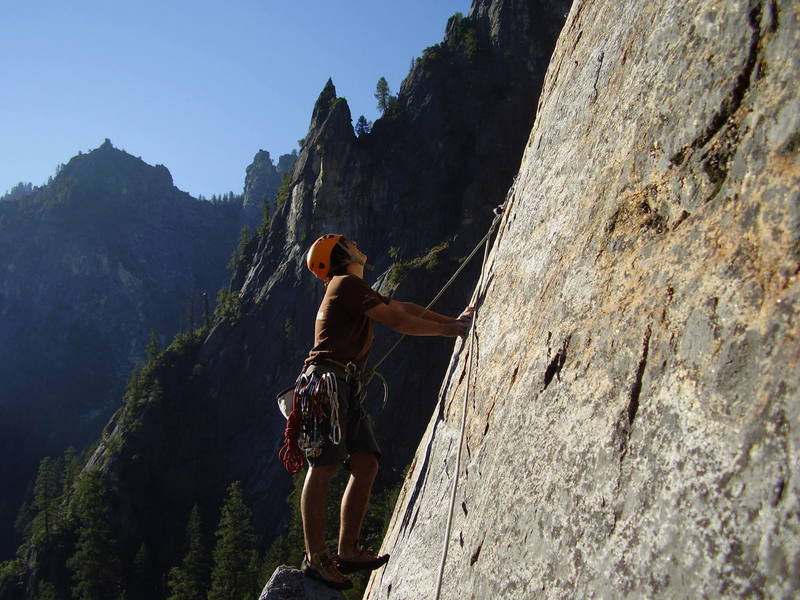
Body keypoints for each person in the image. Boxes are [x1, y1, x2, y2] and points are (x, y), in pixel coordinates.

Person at [298, 233, 473, 589]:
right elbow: (398, 322)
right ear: (341, 255)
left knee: (365, 464)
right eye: (350, 243)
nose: (359, 246)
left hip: (343, 383)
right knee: (323, 465)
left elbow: (403, 309)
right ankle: (316, 557)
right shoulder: (345, 283)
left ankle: (347, 549)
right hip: (328, 381)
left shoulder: (350, 288)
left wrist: (451, 321)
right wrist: (450, 331)